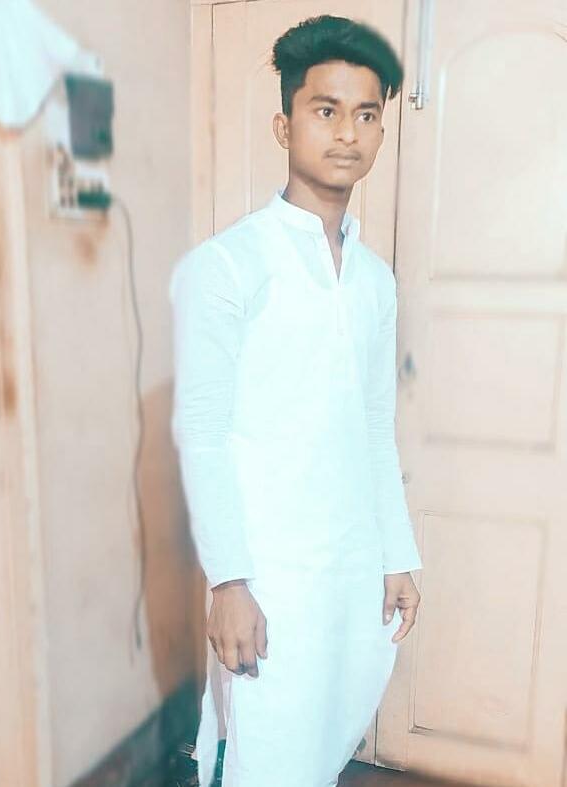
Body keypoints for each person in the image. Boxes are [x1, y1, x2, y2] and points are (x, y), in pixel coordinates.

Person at [169, 14, 422, 787]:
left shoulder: (375, 282)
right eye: (325, 109)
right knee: (266, 758)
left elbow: (375, 426)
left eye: (366, 114)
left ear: (381, 132)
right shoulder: (227, 267)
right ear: (285, 125)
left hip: (349, 567)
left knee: (319, 752)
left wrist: (397, 554)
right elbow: (202, 433)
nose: (347, 132)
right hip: (269, 573)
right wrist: (229, 582)